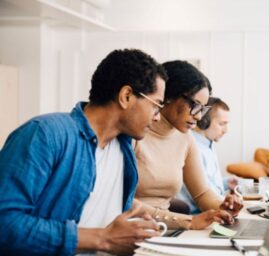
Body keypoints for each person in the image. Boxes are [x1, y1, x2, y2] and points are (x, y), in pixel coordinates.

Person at [0, 49, 167, 255]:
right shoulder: (44, 134)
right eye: (156, 106)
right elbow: (4, 223)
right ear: (126, 96)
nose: (158, 117)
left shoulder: (125, 147)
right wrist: (102, 239)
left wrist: (132, 229)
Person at [134, 61, 242, 230]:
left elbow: (202, 193)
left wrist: (223, 206)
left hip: (164, 228)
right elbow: (123, 202)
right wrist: (188, 221)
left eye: (203, 109)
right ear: (168, 96)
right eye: (194, 106)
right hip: (136, 228)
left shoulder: (185, 138)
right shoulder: (135, 133)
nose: (199, 116)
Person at [177, 97, 238, 214]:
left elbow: (206, 181)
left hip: (213, 208)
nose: (226, 130)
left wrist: (226, 183)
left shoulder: (208, 143)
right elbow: (202, 194)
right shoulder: (193, 146)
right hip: (197, 214)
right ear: (204, 121)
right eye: (222, 124)